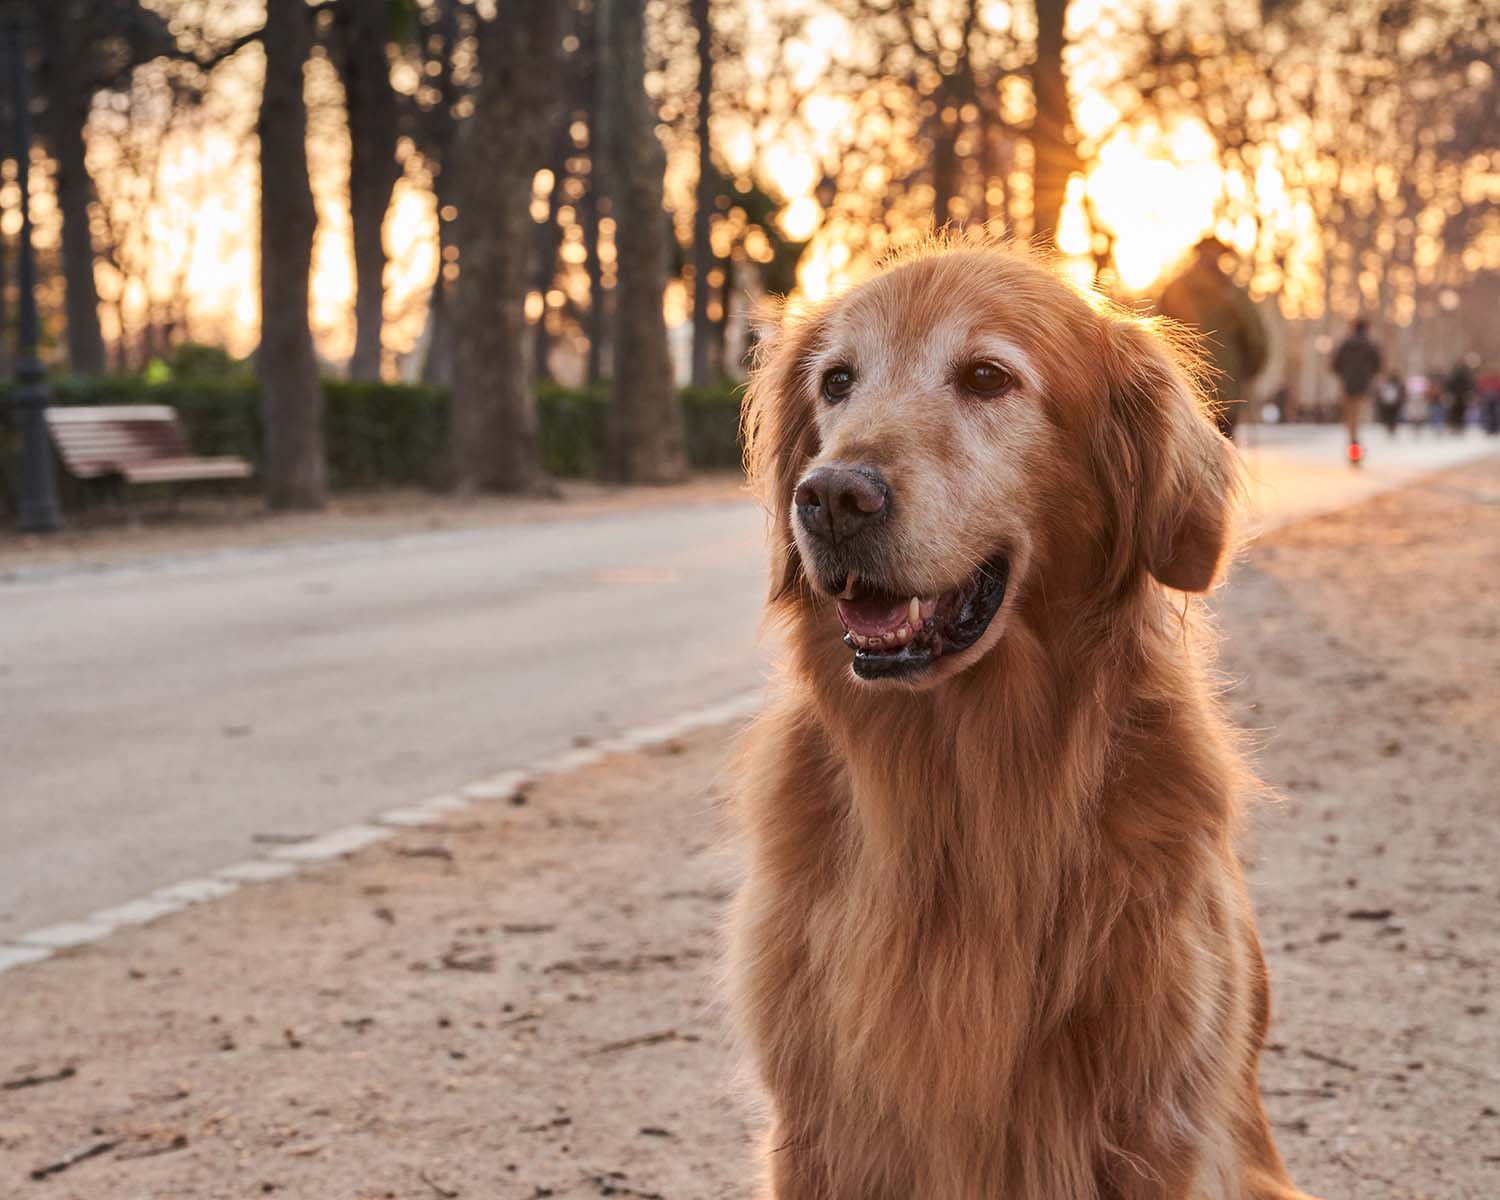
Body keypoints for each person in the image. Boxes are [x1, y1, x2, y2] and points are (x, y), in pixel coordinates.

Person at [1158, 237, 1269, 439]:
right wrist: (1247, 374)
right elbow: (1256, 341)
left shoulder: (1175, 290)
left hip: (1183, 389)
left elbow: (1158, 335)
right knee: (1221, 450)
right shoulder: (1234, 295)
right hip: (1225, 389)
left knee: (1187, 451)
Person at [1331, 318, 1382, 465]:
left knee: (1351, 420)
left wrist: (1345, 374)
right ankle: (1356, 449)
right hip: (1363, 387)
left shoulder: (1345, 344)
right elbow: (1378, 366)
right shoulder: (1370, 345)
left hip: (1347, 386)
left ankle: (1353, 446)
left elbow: (1334, 365)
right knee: (1358, 419)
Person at [1374, 370, 1406, 438]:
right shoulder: (1386, 384)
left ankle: (1392, 429)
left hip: (1394, 404)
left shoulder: (1397, 385)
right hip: (1388, 404)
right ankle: (1390, 429)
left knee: (1392, 417)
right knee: (1390, 417)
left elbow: (1401, 393)